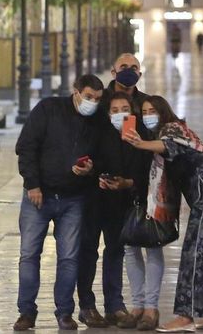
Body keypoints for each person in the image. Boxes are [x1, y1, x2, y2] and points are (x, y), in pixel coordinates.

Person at [124, 95, 203, 332]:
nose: (147, 116)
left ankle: (186, 316)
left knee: (194, 252)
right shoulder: (175, 130)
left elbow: (169, 146)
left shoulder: (173, 128)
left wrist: (139, 143)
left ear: (163, 111)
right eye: (144, 112)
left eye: (152, 110)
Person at [16, 73, 107, 331]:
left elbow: (103, 156)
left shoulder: (98, 121)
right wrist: (32, 184)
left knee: (69, 257)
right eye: (88, 97)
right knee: (29, 255)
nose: (92, 102)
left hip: (73, 199)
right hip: (39, 196)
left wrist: (91, 168)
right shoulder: (48, 109)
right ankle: (26, 312)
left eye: (98, 99)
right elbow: (26, 147)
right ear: (75, 91)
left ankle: (64, 312)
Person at [77, 92, 142, 328]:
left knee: (115, 251)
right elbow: (86, 159)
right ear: (107, 113)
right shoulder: (97, 131)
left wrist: (126, 182)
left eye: (124, 108)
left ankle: (114, 305)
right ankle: (87, 305)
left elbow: (141, 167)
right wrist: (95, 174)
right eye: (114, 110)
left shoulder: (135, 135)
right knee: (88, 251)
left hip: (120, 202)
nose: (119, 114)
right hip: (94, 200)